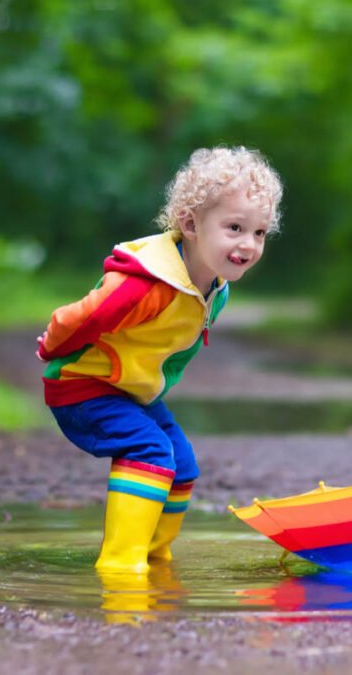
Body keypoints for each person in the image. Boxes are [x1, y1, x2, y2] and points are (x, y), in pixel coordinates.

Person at [36, 146, 282, 574]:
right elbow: (83, 315)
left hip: (130, 391)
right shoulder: (145, 284)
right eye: (235, 227)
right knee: (150, 451)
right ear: (189, 224)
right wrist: (51, 347)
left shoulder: (213, 285)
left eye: (259, 233)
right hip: (83, 387)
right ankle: (120, 564)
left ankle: (154, 556)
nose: (248, 244)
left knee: (181, 464)